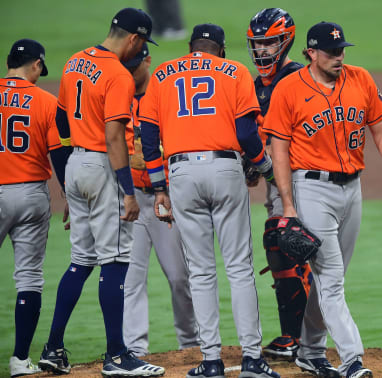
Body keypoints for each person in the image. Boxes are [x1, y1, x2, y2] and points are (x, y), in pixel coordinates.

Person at [263, 21, 382, 378]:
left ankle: (310, 350)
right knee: (331, 277)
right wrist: (288, 205)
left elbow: (381, 130)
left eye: (342, 50)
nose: (339, 57)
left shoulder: (360, 78)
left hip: (352, 190)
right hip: (311, 190)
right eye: (331, 52)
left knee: (330, 277)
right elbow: (280, 151)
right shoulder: (288, 90)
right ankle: (352, 360)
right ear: (311, 53)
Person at [139, 23, 280, 378]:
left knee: (200, 272)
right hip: (224, 169)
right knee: (239, 268)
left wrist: (159, 188)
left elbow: (149, 136)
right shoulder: (235, 72)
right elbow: (248, 132)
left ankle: (211, 361)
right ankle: (252, 359)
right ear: (221, 48)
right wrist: (264, 167)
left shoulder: (161, 75)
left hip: (182, 174)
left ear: (190, 47)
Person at [37, 8, 164, 377]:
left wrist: (66, 185)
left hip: (75, 165)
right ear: (135, 39)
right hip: (102, 168)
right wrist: (127, 191)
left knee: (80, 261)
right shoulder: (117, 75)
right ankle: (117, 356)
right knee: (116, 262)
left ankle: (53, 348)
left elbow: (61, 122)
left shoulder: (75, 61)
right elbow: (113, 138)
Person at [122, 43, 199, 356]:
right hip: (132, 199)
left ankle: (191, 344)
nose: (128, 74)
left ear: (147, 61)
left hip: (166, 196)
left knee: (180, 276)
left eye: (133, 67)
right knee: (131, 277)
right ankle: (134, 349)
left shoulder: (168, 94)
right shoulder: (117, 98)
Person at [0, 38, 70, 378]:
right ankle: (19, 361)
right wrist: (70, 195)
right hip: (30, 194)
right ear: (37, 65)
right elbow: (58, 154)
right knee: (29, 277)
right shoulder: (45, 100)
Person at [246, 7, 311, 360]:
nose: (262, 51)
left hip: (301, 177)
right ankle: (293, 337)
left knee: (292, 248)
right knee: (279, 248)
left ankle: (304, 338)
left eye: (269, 43)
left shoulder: (300, 80)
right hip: (276, 181)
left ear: (286, 41)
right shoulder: (256, 86)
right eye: (257, 44)